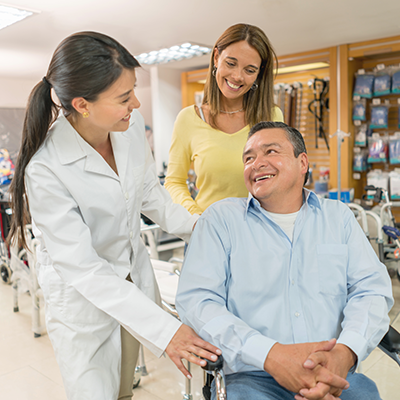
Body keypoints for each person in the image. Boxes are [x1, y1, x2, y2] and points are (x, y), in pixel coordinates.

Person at [8, 32, 221, 400]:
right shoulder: (46, 168)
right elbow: (85, 269)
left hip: (131, 280)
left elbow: (150, 196)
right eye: (124, 98)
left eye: (134, 90)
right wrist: (167, 331)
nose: (136, 104)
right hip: (83, 302)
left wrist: (204, 229)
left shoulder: (129, 126)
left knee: (123, 389)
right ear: (83, 104)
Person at [176, 121, 393, 400]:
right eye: (249, 158)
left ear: (302, 162)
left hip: (333, 372)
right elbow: (197, 300)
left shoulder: (337, 218)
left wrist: (345, 352)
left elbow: (371, 289)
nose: (257, 163)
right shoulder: (221, 221)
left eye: (271, 151)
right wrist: (269, 354)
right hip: (253, 376)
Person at [165, 23, 284, 215]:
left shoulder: (271, 117)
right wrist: (197, 219)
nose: (237, 76)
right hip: (205, 232)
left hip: (259, 235)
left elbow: (281, 177)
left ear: (259, 74)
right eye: (231, 63)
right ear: (216, 57)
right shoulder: (188, 119)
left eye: (250, 70)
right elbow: (174, 182)